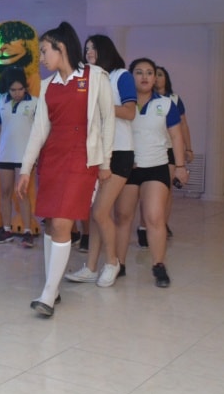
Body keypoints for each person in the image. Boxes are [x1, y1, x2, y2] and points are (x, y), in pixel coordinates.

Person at [16, 22, 114, 317]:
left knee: (62, 223)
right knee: (50, 224)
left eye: (45, 51)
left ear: (61, 48)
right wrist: (26, 168)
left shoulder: (95, 76)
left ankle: (48, 294)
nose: (42, 58)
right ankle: (53, 287)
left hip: (82, 160)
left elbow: (108, 120)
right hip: (52, 160)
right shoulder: (47, 86)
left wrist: (106, 162)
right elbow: (39, 131)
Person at [65, 34, 136, 287]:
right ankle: (91, 267)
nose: (89, 52)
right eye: (86, 49)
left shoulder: (120, 76)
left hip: (120, 151)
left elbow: (130, 112)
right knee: (95, 213)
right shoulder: (90, 79)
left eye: (93, 48)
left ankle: (113, 262)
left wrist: (102, 106)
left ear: (105, 50)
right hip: (96, 152)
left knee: (100, 211)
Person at [114, 58, 188, 287]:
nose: (145, 77)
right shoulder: (122, 105)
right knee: (123, 216)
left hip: (156, 167)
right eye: (139, 72)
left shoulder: (166, 104)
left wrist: (180, 166)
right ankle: (118, 264)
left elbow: (176, 136)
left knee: (154, 217)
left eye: (149, 72)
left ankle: (159, 265)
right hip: (128, 168)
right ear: (131, 76)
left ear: (155, 77)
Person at [0, 67, 37, 248]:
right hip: (5, 155)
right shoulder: (1, 101)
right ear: (7, 88)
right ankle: (6, 229)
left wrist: (36, 156)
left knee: (22, 193)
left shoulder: (35, 103)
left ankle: (27, 231)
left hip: (24, 156)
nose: (17, 93)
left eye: (20, 89)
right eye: (13, 90)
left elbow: (39, 132)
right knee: (5, 192)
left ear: (25, 87)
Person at [155, 65, 192, 237]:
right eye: (154, 74)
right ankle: (147, 224)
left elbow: (183, 125)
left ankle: (163, 222)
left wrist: (188, 148)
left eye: (160, 74)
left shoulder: (174, 99)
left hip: (170, 148)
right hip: (152, 147)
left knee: (167, 188)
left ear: (166, 78)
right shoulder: (145, 98)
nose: (156, 78)